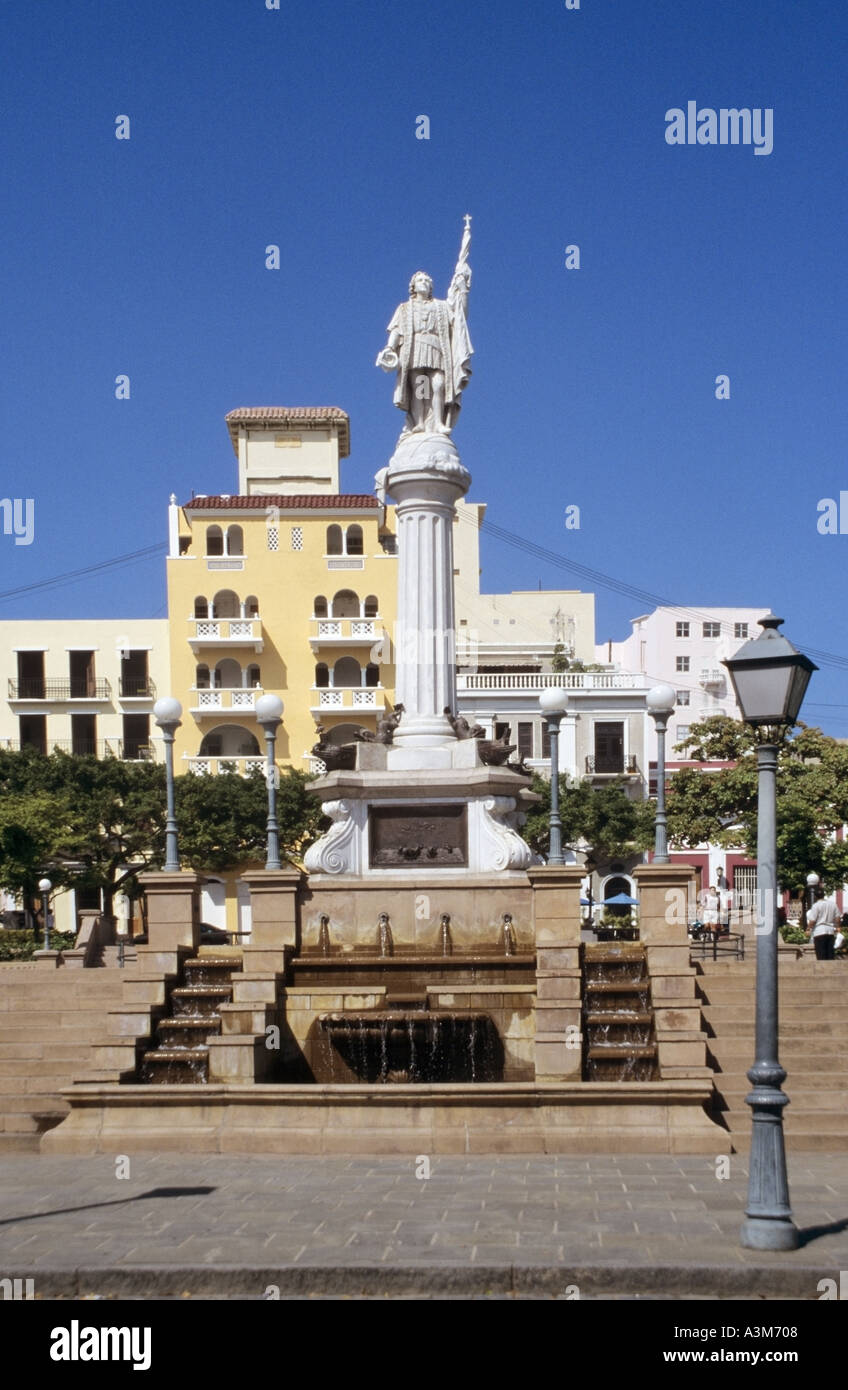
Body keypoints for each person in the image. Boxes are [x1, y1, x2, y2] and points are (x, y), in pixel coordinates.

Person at [376, 218, 473, 437]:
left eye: (428, 281)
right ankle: (419, 422)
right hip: (415, 347)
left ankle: (437, 422)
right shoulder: (404, 308)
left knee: (438, 384)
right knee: (420, 385)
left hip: (437, 348)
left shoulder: (440, 306)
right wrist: (390, 349)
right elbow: (397, 331)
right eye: (421, 280)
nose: (425, 283)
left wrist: (462, 290)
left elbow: (459, 317)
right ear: (413, 286)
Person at [805, 888, 840, 960]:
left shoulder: (816, 905)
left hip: (819, 932)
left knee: (821, 955)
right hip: (830, 931)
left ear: (815, 896)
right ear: (824, 895)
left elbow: (813, 920)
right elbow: (837, 918)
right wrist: (838, 927)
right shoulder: (833, 904)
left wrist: (808, 929)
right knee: (830, 954)